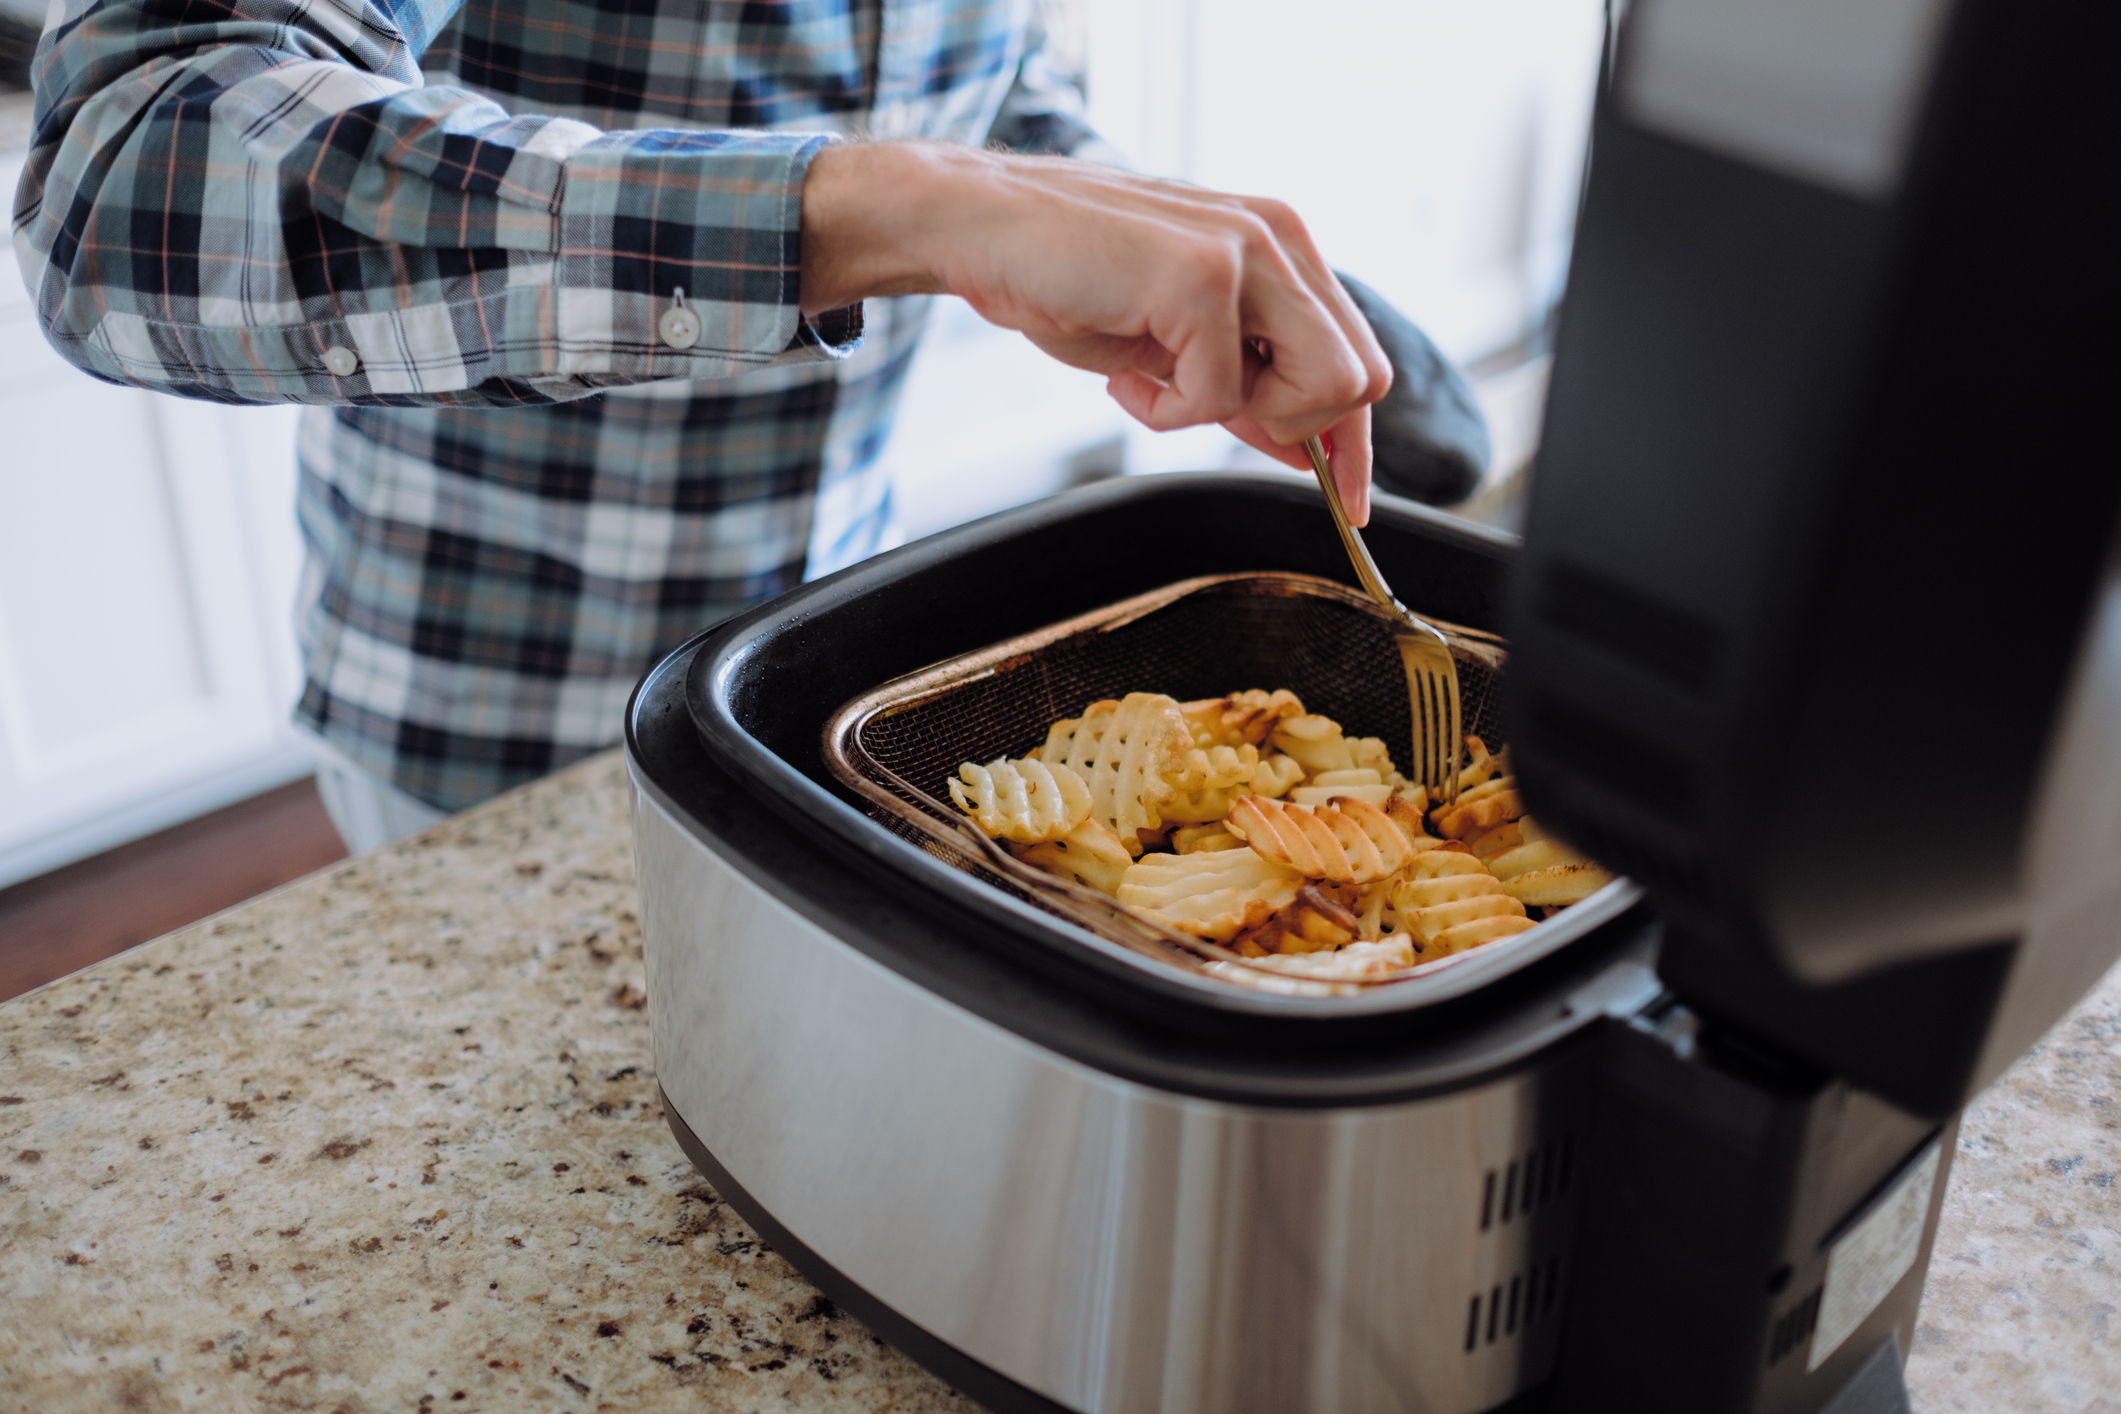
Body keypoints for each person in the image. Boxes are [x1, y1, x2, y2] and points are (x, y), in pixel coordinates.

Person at [14, 0, 1403, 852]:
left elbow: (981, 81)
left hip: (827, 671)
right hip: (494, 727)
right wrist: (895, 212)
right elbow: (123, 180)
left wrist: (1125, 226)